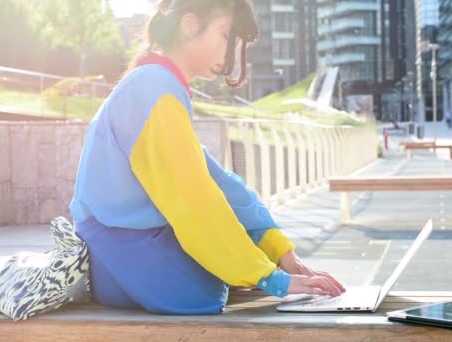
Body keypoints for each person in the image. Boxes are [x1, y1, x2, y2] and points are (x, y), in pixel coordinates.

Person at [70, 0, 345, 315]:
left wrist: (281, 254)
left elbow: (218, 182)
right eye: (227, 36)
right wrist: (271, 278)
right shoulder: (153, 89)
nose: (231, 53)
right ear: (189, 25)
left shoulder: (158, 83)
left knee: (239, 271)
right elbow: (194, 200)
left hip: (124, 249)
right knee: (208, 293)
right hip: (121, 255)